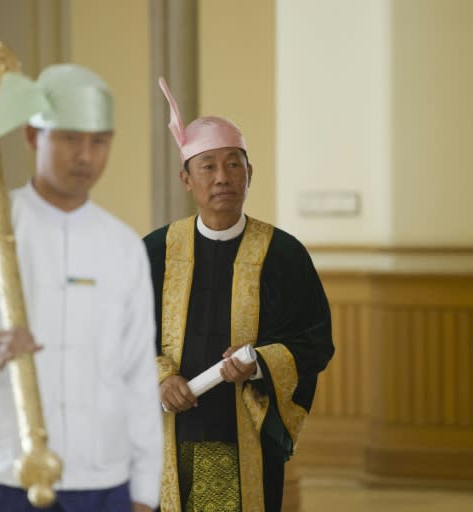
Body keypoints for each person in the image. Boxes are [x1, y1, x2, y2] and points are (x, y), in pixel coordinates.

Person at [0, 64, 162, 512]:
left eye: (98, 141)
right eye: (69, 138)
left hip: (103, 479)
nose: (85, 155)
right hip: (6, 473)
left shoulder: (123, 246)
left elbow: (139, 378)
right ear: (33, 135)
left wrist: (145, 491)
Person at [144, 78, 335, 512]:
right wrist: (159, 377)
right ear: (186, 179)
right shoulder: (155, 252)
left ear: (250, 174)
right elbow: (119, 334)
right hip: (166, 428)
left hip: (241, 428)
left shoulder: (283, 255)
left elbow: (315, 340)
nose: (223, 178)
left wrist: (260, 361)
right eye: (208, 166)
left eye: (234, 165)